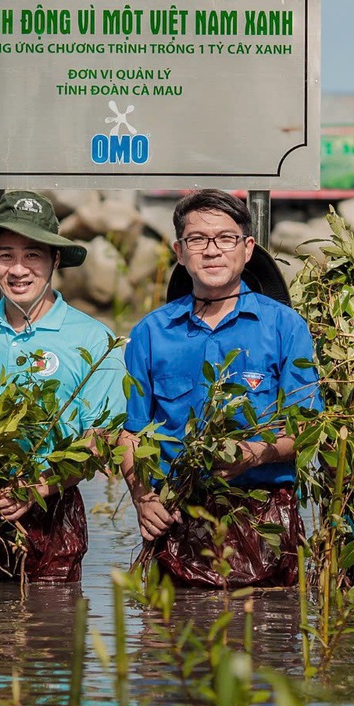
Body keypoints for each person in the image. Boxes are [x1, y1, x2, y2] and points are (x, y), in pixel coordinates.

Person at [119, 189, 320, 589]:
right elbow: (130, 433)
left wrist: (251, 455)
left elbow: (310, 430)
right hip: (177, 514)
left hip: (263, 516)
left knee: (268, 641)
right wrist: (144, 499)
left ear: (247, 249)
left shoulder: (285, 327)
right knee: (170, 642)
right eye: (198, 239)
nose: (211, 250)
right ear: (179, 251)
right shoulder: (150, 332)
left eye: (225, 238)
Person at [0, 191, 125, 581]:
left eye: (32, 255)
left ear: (55, 259)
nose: (18, 269)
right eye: (5, 255)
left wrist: (39, 486)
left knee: (51, 632)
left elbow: (104, 436)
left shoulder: (95, 339)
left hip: (52, 507)